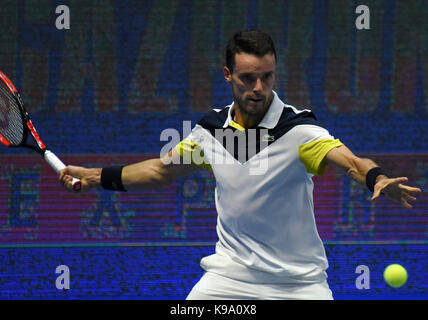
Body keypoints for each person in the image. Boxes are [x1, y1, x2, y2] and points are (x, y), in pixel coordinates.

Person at [60, 30, 422, 300]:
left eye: (267, 76)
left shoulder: (298, 130)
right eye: (248, 77)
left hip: (299, 284)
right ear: (228, 75)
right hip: (229, 280)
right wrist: (93, 177)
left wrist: (376, 177)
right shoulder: (211, 132)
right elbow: (160, 171)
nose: (259, 87)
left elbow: (351, 162)